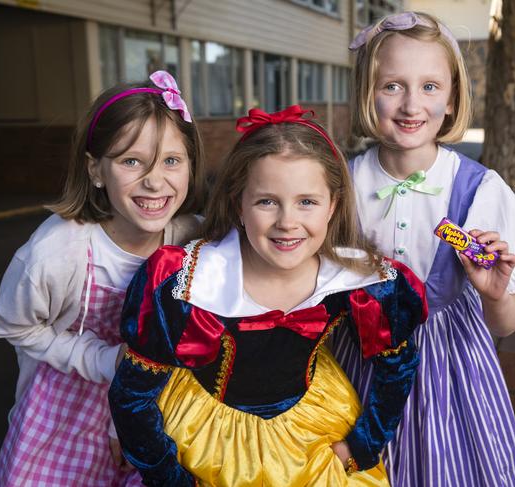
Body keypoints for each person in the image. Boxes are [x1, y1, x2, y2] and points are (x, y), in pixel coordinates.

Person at [108, 105, 428, 486]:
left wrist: (363, 443)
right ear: (238, 205)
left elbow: (399, 366)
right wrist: (169, 475)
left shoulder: (360, 284)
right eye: (267, 201)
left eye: (307, 201)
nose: (287, 221)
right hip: (204, 435)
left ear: (333, 207)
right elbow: (131, 396)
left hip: (313, 434)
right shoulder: (186, 283)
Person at [330, 12, 515, 487]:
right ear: (368, 93)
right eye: (392, 86)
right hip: (358, 369)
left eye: (430, 86)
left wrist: (494, 293)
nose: (411, 104)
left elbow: (506, 326)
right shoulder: (339, 184)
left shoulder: (480, 190)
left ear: (451, 99)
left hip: (456, 377)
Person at [0, 70, 205, 487]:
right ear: (96, 170)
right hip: (66, 415)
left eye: (171, 161)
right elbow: (10, 324)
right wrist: (101, 359)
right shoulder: (55, 252)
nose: (155, 180)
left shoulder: (192, 240)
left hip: (155, 408)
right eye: (131, 161)